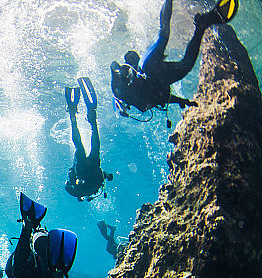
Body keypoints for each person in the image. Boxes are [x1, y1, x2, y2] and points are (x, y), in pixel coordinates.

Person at [110, 0, 238, 122]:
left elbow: (113, 65)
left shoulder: (118, 90)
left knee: (164, 35)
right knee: (186, 65)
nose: (125, 108)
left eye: (121, 108)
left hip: (146, 68)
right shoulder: (142, 106)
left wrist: (118, 72)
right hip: (160, 78)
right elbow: (164, 99)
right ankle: (202, 25)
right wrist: (183, 101)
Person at [5, 193, 77, 278]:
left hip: (27, 273)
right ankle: (28, 228)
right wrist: (57, 277)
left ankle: (27, 228)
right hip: (28, 270)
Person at [64, 77, 113, 201]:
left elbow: (104, 176)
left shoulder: (85, 191)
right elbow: (67, 185)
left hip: (91, 168)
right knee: (80, 146)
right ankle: (74, 115)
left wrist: (107, 175)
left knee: (94, 143)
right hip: (85, 169)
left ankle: (90, 118)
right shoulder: (77, 191)